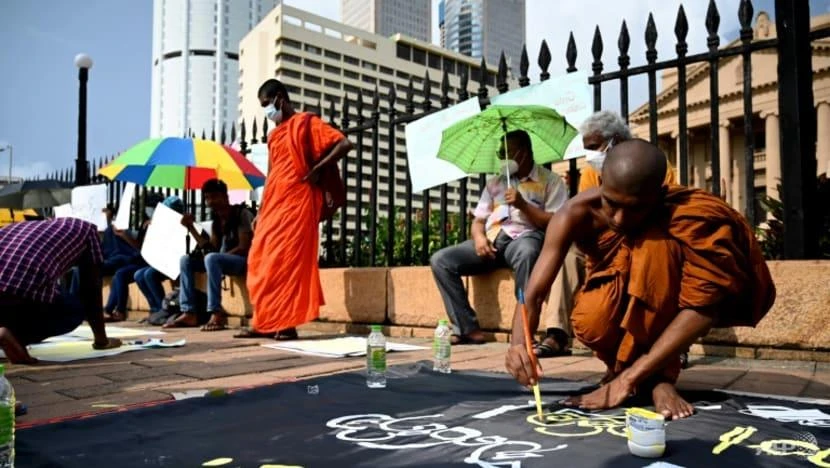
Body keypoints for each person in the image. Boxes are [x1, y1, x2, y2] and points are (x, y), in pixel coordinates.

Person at [504, 139, 775, 420]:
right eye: (612, 203)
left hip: (666, 294)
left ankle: (657, 379)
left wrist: (628, 380)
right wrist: (517, 346)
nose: (620, 219)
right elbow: (533, 293)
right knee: (591, 321)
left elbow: (703, 308)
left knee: (655, 251)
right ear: (601, 182)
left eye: (635, 208)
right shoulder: (574, 214)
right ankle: (625, 370)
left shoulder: (682, 215)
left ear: (658, 196)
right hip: (611, 290)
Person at [536, 111, 678, 359]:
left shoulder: (652, 164)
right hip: (604, 241)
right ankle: (557, 333)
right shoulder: (591, 174)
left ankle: (672, 342)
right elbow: (586, 217)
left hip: (645, 236)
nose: (589, 155)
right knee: (568, 254)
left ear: (616, 142)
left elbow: (667, 213)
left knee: (660, 256)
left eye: (593, 147)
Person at [236, 78, 353, 340]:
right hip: (275, 203)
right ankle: (264, 320)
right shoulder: (274, 134)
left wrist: (317, 169)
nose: (266, 111)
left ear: (280, 98)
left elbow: (343, 143)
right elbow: (272, 173)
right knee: (259, 260)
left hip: (299, 203)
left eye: (267, 104)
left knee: (287, 263)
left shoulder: (306, 124)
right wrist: (262, 210)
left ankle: (286, 324)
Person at [430, 130, 568, 345]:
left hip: (524, 238)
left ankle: (524, 331)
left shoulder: (550, 180)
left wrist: (523, 205)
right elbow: (478, 220)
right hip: (492, 241)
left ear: (523, 153)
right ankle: (467, 328)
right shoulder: (495, 183)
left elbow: (555, 222)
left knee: (528, 253)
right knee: (441, 260)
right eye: (500, 152)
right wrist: (479, 238)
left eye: (507, 152)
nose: (502, 157)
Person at [0, 218, 122, 364]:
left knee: (46, 293)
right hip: (15, 287)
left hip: (8, 290)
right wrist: (101, 341)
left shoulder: (18, 227)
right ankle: (15, 337)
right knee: (73, 308)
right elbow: (91, 291)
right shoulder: (89, 231)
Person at [164, 179, 254, 331]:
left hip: (242, 261)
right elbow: (211, 248)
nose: (210, 201)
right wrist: (191, 227)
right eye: (207, 198)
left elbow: (243, 247)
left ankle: (216, 312)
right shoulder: (216, 222)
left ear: (225, 197)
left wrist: (219, 257)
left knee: (212, 258)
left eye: (214, 197)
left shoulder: (241, 214)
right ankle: (189, 312)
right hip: (219, 260)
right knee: (186, 260)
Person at [133, 196, 185, 315]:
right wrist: (152, 229)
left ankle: (164, 309)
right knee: (138, 275)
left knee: (149, 274)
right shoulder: (163, 225)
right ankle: (155, 308)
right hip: (163, 262)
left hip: (175, 262)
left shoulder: (184, 225)